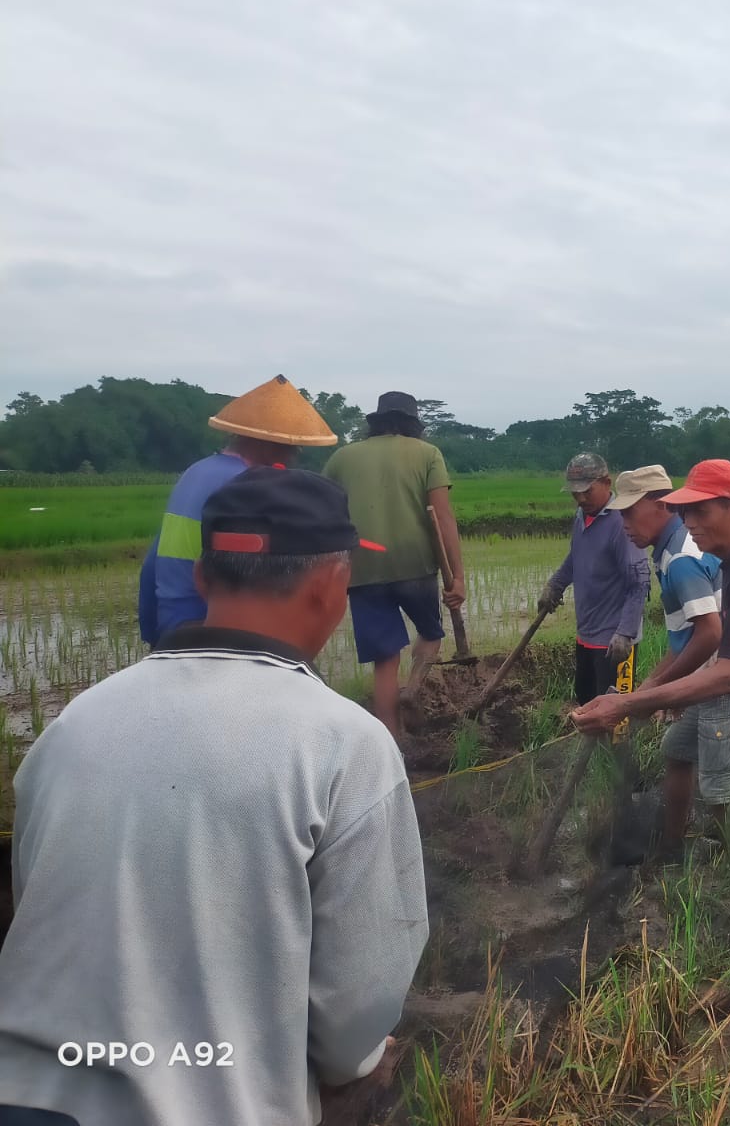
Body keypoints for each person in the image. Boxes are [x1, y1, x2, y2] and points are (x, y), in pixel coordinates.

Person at [0, 468, 427, 1126]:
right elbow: (357, 1003)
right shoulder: (344, 744)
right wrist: (350, 1061)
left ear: (201, 578)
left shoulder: (73, 725)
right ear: (332, 587)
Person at [570, 460, 730, 1017]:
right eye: (685, 509)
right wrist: (647, 696)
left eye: (702, 509)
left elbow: (728, 670)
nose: (692, 520)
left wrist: (633, 699)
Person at [137, 374, 336, 644]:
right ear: (266, 442)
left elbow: (155, 558)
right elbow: (263, 575)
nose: (291, 457)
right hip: (214, 626)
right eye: (290, 448)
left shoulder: (196, 471)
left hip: (173, 622)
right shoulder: (246, 487)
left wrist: (155, 628)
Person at [323, 390, 465, 740]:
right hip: (415, 564)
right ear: (413, 424)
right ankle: (413, 688)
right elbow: (443, 517)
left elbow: (324, 511)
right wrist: (458, 577)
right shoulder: (427, 453)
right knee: (431, 634)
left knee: (385, 660)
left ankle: (390, 740)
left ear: (377, 421)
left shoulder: (343, 457)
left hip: (362, 568)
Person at [610, 465, 730, 851]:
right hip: (707, 677)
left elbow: (711, 633)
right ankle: (673, 843)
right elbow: (686, 637)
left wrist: (661, 691)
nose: (624, 524)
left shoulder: (680, 559)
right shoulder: (672, 549)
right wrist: (652, 685)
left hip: (719, 682)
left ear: (659, 504)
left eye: (630, 512)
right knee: (676, 749)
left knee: (717, 790)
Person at [537, 453, 651, 706]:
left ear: (607, 483)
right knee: (586, 701)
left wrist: (625, 633)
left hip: (614, 641)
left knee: (614, 712)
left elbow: (639, 582)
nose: (580, 499)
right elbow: (576, 557)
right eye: (575, 493)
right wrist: (555, 585)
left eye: (587, 491)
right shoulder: (581, 517)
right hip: (586, 633)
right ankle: (591, 746)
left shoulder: (622, 523)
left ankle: (618, 748)